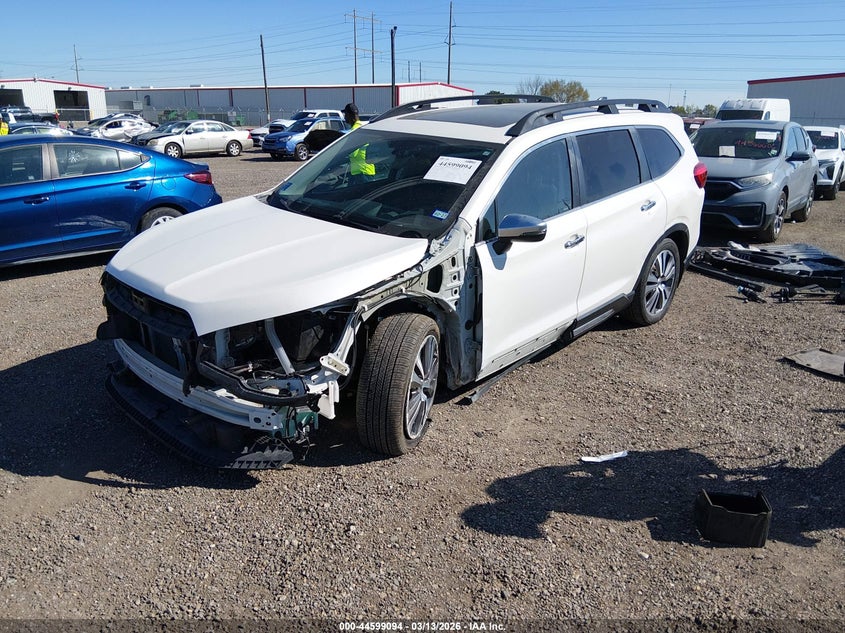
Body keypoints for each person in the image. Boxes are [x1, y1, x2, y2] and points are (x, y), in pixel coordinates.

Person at [343, 103, 375, 180]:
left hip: (361, 173)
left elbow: (352, 153)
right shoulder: (362, 127)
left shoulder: (354, 131)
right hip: (367, 171)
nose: (344, 117)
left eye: (345, 114)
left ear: (349, 115)